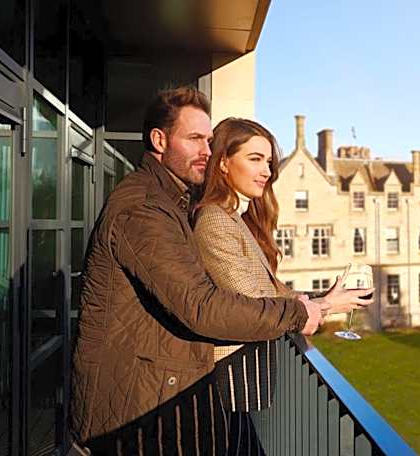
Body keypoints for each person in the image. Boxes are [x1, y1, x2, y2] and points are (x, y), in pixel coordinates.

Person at [69, 87, 362, 455]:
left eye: (209, 140)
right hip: (135, 415)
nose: (207, 151)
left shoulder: (171, 203)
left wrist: (319, 303)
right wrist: (301, 311)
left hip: (157, 400)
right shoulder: (144, 209)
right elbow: (203, 307)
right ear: (159, 140)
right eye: (194, 139)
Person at [192, 117, 373, 454]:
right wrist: (323, 307)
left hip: (246, 373)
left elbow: (271, 290)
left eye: (270, 162)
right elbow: (256, 301)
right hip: (231, 376)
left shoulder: (235, 217)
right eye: (255, 159)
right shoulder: (214, 220)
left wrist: (325, 300)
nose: (267, 171)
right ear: (223, 163)